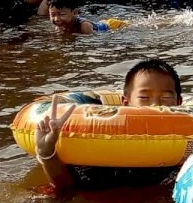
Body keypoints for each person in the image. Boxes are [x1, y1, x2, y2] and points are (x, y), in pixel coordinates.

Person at [34, 59, 184, 190]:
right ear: (126, 103)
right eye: (144, 97)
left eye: (166, 97)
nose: (155, 105)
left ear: (179, 103)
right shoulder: (105, 137)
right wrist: (47, 152)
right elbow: (67, 187)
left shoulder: (190, 137)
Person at [47, 0, 127, 34]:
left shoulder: (84, 26)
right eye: (52, 15)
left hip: (112, 25)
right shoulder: (59, 26)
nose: (56, 19)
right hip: (99, 23)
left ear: (75, 13)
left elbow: (91, 41)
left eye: (61, 14)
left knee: (132, 26)